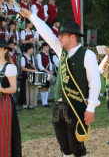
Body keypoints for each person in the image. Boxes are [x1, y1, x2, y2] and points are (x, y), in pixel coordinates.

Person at [20, 8, 101, 157]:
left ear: (72, 37)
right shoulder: (61, 50)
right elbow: (46, 32)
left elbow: (95, 83)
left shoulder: (87, 55)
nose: (59, 38)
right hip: (58, 107)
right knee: (64, 148)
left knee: (77, 148)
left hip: (75, 106)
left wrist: (91, 108)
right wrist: (31, 16)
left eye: (62, 35)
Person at [0, 38, 22, 157]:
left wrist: (2, 89)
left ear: (4, 50)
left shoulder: (9, 67)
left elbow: (13, 88)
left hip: (4, 102)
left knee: (4, 133)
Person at [20, 43, 38, 109]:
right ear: (29, 49)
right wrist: (31, 71)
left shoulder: (32, 57)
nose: (33, 50)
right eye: (32, 49)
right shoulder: (23, 57)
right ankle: (25, 104)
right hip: (26, 75)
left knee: (32, 89)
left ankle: (31, 104)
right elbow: (23, 68)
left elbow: (33, 65)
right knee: (26, 90)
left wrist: (35, 70)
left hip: (32, 75)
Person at [36, 42, 53, 107]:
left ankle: (46, 102)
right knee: (43, 87)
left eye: (48, 47)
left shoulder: (47, 55)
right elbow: (40, 65)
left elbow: (50, 64)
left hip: (48, 72)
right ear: (43, 47)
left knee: (47, 87)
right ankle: (43, 103)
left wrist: (50, 70)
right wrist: (46, 71)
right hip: (43, 73)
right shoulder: (39, 55)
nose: (48, 48)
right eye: (47, 47)